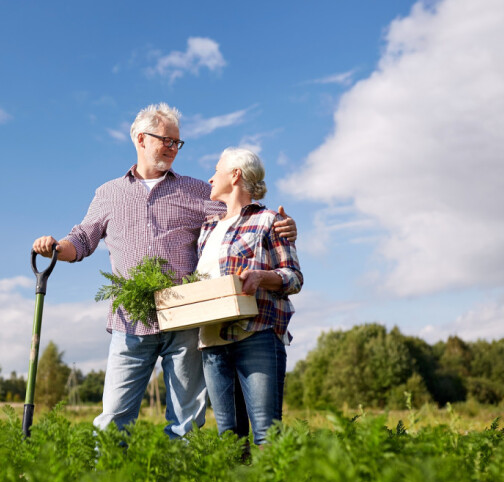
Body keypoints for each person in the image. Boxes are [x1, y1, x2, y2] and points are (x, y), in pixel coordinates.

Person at [32, 103, 297, 439]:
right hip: (130, 318)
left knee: (187, 422)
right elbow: (82, 240)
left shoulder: (197, 190)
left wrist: (282, 226)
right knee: (114, 416)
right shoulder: (108, 193)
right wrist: (55, 248)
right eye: (167, 141)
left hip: (184, 317)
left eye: (177, 143)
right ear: (141, 139)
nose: (173, 149)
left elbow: (240, 215)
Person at [196, 147, 303, 445]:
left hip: (256, 334)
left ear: (235, 174)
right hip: (212, 342)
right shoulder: (206, 228)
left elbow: (294, 277)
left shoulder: (269, 221)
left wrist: (261, 277)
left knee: (267, 437)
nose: (210, 177)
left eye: (216, 170)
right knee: (230, 441)